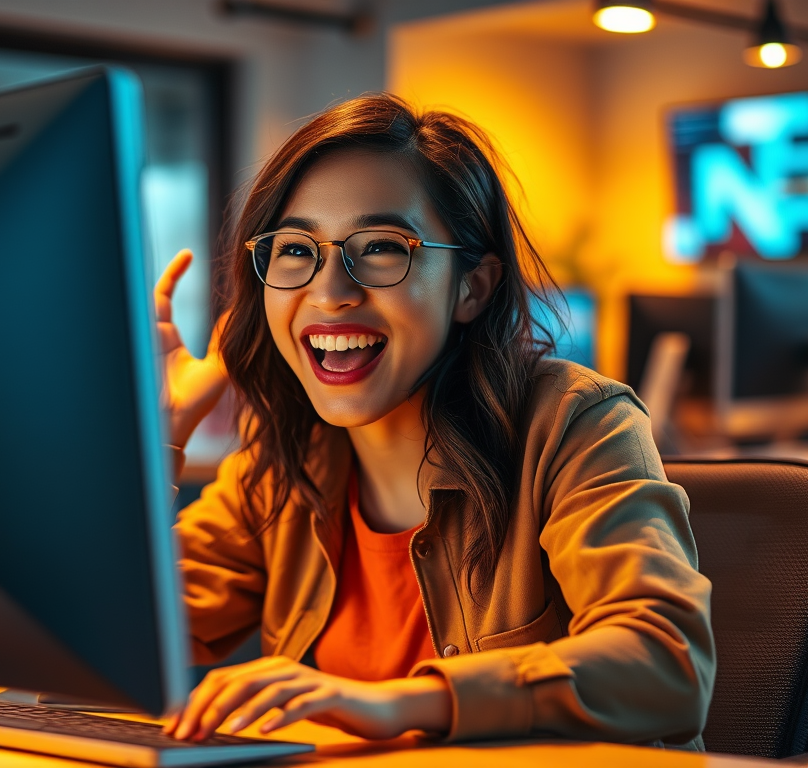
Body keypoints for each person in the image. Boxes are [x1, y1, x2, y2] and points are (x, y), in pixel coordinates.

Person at [158, 94, 715, 747]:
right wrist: (159, 433)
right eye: (294, 249)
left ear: (471, 287)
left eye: (383, 248)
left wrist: (401, 704)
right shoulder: (283, 463)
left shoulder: (573, 422)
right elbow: (113, 634)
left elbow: (667, 664)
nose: (330, 292)